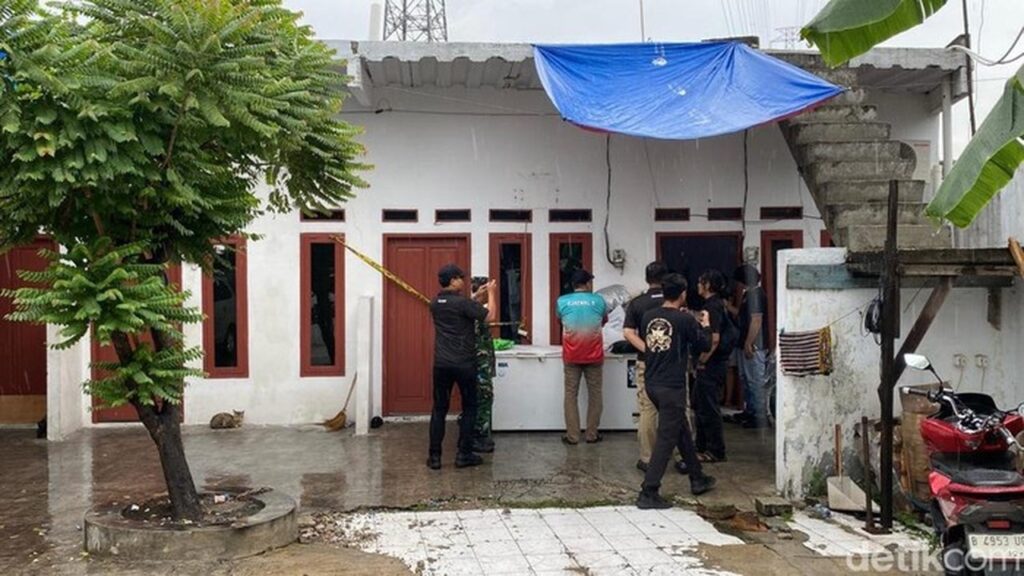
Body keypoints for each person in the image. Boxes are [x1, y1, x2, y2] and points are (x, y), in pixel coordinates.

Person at [636, 273, 716, 509]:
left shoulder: (649, 316)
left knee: (680, 430)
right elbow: (704, 345)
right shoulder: (684, 320)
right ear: (682, 294)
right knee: (666, 439)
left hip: (652, 382)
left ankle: (697, 477)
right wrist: (706, 325)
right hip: (672, 386)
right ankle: (648, 491)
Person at [427, 264, 497, 470]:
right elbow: (490, 316)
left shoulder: (435, 303)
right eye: (460, 278)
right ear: (453, 280)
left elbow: (461, 308)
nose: (463, 281)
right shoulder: (462, 303)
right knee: (470, 408)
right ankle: (463, 454)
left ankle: (434, 457)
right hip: (464, 363)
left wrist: (476, 297)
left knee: (439, 409)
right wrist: (491, 293)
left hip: (441, 364)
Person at [624, 261, 685, 474]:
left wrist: (649, 350)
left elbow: (628, 332)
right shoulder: (676, 301)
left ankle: (648, 458)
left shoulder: (637, 303)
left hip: (647, 363)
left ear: (646, 278)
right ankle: (683, 456)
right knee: (679, 409)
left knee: (647, 409)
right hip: (674, 363)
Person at [556, 269, 607, 444]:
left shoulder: (562, 301)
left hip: (571, 355)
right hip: (594, 355)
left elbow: (560, 321)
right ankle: (592, 434)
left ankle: (573, 436)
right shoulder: (599, 301)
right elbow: (603, 321)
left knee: (571, 395)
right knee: (595, 394)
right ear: (588, 283)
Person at [693, 269, 729, 463]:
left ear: (707, 285)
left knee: (708, 407)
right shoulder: (717, 304)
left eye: (701, 282)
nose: (698, 285)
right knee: (701, 405)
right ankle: (702, 445)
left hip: (712, 364)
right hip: (715, 363)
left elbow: (714, 339)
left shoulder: (712, 307)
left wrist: (702, 361)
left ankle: (714, 449)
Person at [732, 264, 769, 429]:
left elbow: (756, 320)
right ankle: (750, 410)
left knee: (755, 380)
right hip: (745, 342)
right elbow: (742, 315)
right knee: (746, 379)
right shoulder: (748, 295)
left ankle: (759, 415)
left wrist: (749, 342)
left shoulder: (757, 295)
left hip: (754, 345)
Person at [470, 276, 497, 453]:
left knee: (481, 397)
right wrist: (492, 294)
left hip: (483, 362)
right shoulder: (475, 310)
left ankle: (480, 433)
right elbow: (491, 316)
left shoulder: (472, 307)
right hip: (479, 364)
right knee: (484, 397)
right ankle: (479, 435)